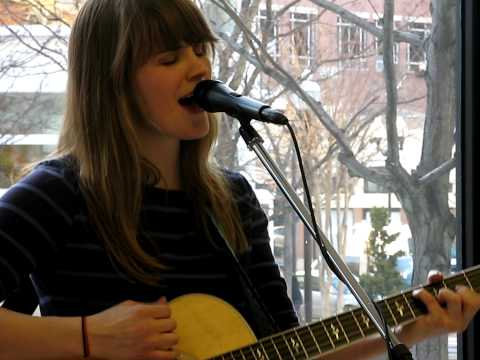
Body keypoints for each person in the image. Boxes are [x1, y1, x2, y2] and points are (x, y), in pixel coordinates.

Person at [0, 0, 479, 359]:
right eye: (169, 59)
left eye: (199, 50)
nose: (199, 67)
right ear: (112, 84)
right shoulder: (58, 194)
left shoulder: (231, 200)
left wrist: (399, 332)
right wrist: (89, 337)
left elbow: (289, 350)